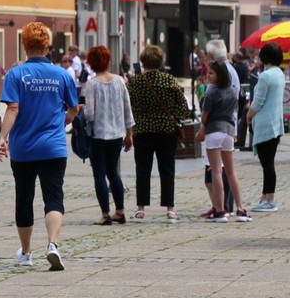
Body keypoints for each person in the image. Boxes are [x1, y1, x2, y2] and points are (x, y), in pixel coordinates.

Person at [0, 21, 79, 270]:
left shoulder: (17, 74)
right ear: (47, 45)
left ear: (25, 45)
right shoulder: (62, 75)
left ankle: (26, 252)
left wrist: (2, 137)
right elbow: (73, 110)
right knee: (53, 197)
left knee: (24, 198)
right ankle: (53, 244)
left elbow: (12, 108)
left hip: (23, 149)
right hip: (54, 147)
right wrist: (63, 119)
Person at [127, 44, 187, 222]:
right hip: (167, 131)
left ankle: (141, 208)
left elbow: (128, 107)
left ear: (143, 62)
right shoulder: (168, 80)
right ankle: (170, 209)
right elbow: (182, 107)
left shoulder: (135, 82)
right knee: (167, 169)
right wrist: (172, 116)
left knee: (143, 169)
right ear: (161, 61)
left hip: (143, 131)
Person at [81, 45, 134, 225]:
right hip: (117, 134)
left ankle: (105, 214)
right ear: (108, 61)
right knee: (113, 172)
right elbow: (128, 109)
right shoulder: (119, 80)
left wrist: (82, 111)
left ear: (91, 63)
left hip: (98, 135)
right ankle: (120, 211)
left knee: (99, 174)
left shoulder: (92, 83)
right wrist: (129, 134)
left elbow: (90, 114)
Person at [200, 59, 250, 222]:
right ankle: (240, 209)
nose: (208, 75)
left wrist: (202, 129)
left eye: (211, 73)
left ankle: (220, 210)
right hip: (229, 132)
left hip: (214, 131)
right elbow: (234, 113)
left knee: (216, 171)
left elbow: (205, 115)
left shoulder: (211, 92)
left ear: (219, 74)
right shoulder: (232, 91)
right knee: (231, 171)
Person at [248, 43, 285, 212]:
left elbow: (257, 102)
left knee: (267, 164)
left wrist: (248, 116)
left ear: (264, 57)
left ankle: (269, 199)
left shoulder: (265, 77)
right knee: (268, 163)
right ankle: (265, 197)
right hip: (275, 124)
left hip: (264, 125)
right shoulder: (280, 74)